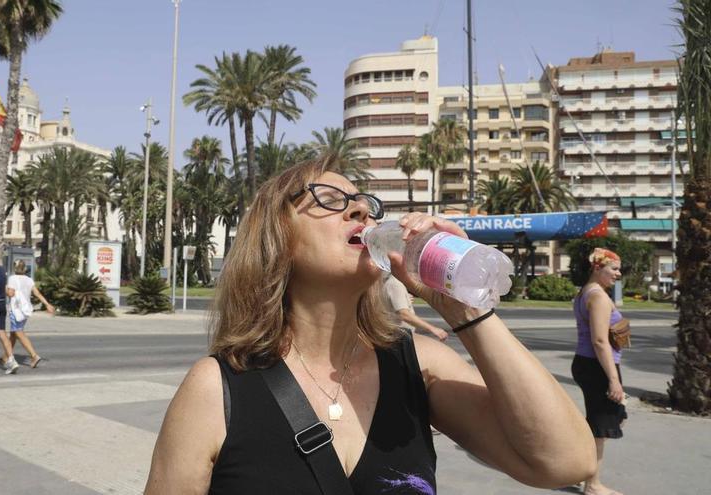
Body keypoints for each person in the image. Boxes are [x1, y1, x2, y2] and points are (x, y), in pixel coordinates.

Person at [144, 159, 596, 494]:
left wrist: (465, 311)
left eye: (364, 203)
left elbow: (565, 461)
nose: (361, 209)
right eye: (330, 199)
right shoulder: (217, 389)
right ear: (276, 238)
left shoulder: (418, 364)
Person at [571, 248, 627, 495]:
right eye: (613, 268)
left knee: (613, 416)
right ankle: (592, 484)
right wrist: (614, 380)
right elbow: (600, 341)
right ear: (597, 267)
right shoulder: (599, 297)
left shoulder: (585, 292)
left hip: (588, 364)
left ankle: (577, 466)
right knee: (600, 425)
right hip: (598, 366)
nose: (618, 273)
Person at [3, 260, 55, 368]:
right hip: (25, 310)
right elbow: (37, 293)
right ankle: (6, 356)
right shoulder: (29, 280)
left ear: (14, 268)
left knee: (18, 332)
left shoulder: (12, 278)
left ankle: (34, 355)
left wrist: (3, 288)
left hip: (16, 310)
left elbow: (11, 294)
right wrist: (47, 304)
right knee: (14, 334)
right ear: (24, 269)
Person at [382, 272, 449, 341]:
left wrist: (405, 299)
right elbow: (404, 315)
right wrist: (433, 329)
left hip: (395, 335)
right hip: (399, 338)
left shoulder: (388, 282)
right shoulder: (395, 284)